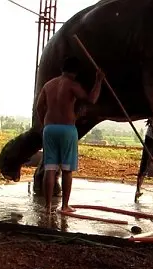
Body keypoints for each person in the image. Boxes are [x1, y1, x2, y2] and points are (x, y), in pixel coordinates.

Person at [36, 56, 104, 213]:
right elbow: (91, 100)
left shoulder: (49, 85)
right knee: (67, 169)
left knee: (50, 168)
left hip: (49, 128)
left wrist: (44, 124)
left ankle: (47, 207)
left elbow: (40, 107)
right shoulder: (73, 85)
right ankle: (65, 206)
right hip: (67, 128)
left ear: (62, 69)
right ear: (76, 72)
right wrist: (98, 80)